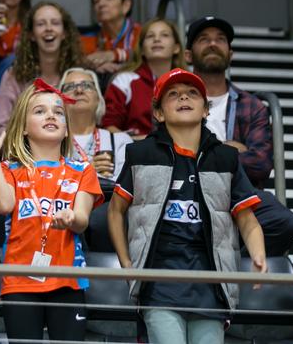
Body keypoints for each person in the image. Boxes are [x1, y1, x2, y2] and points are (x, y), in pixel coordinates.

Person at [108, 68, 267, 344]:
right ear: (159, 113)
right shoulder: (139, 154)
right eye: (173, 94)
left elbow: (247, 219)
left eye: (192, 93)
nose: (184, 97)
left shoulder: (226, 158)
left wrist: (258, 254)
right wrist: (126, 263)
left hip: (211, 286)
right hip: (157, 281)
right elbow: (115, 211)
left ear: (206, 110)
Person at [0, 79, 103, 343]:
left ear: (67, 129)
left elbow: (82, 220)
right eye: (40, 111)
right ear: (23, 128)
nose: (51, 115)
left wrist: (71, 218)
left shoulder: (83, 170)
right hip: (19, 282)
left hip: (68, 281)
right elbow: (3, 205)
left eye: (58, 112)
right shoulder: (9, 170)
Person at [185, 16, 293, 256]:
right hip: (188, 192)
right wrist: (229, 151)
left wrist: (204, 154)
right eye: (204, 39)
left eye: (220, 39)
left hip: (238, 194)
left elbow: (260, 165)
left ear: (230, 54)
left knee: (285, 223)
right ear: (188, 55)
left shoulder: (252, 105)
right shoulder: (175, 100)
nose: (213, 44)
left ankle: (230, 264)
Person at [59, 67, 132, 252]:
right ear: (60, 101)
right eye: (70, 87)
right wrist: (87, 171)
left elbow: (129, 185)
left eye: (86, 85)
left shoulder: (120, 140)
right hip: (64, 205)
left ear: (99, 99)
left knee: (103, 217)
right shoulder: (52, 140)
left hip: (109, 206)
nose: (79, 90)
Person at [0, 1, 83, 133]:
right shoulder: (14, 76)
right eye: (41, 24)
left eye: (55, 23)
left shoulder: (78, 76)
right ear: (31, 35)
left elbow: (88, 124)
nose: (49, 28)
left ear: (65, 33)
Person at [103, 17, 186, 140]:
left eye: (164, 35)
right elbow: (108, 126)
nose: (157, 39)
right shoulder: (124, 81)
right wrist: (139, 142)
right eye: (150, 36)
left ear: (176, 48)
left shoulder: (188, 83)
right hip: (136, 153)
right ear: (141, 49)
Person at [82, 0, 141, 76]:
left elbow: (144, 55)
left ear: (126, 5)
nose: (101, 4)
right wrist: (93, 65)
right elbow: (75, 60)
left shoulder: (142, 34)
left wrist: (114, 55)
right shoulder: (90, 36)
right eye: (96, 1)